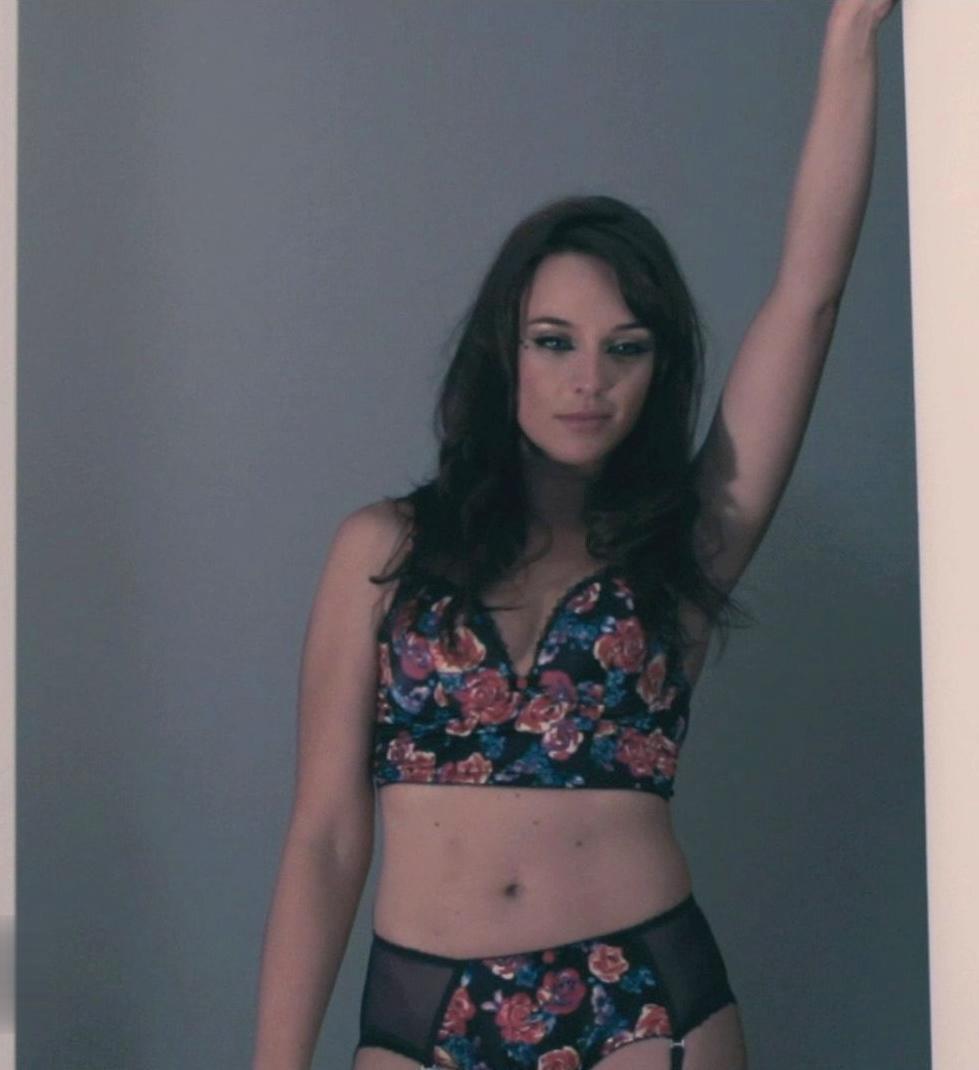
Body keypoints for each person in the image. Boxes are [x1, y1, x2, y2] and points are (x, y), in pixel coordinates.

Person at [253, 3, 898, 1066]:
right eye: (554, 341)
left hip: (643, 1002)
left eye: (625, 348)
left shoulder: (686, 543)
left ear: (659, 369)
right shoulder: (380, 551)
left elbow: (808, 300)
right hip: (423, 1010)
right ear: (502, 351)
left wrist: (852, 37)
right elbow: (324, 834)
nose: (588, 379)